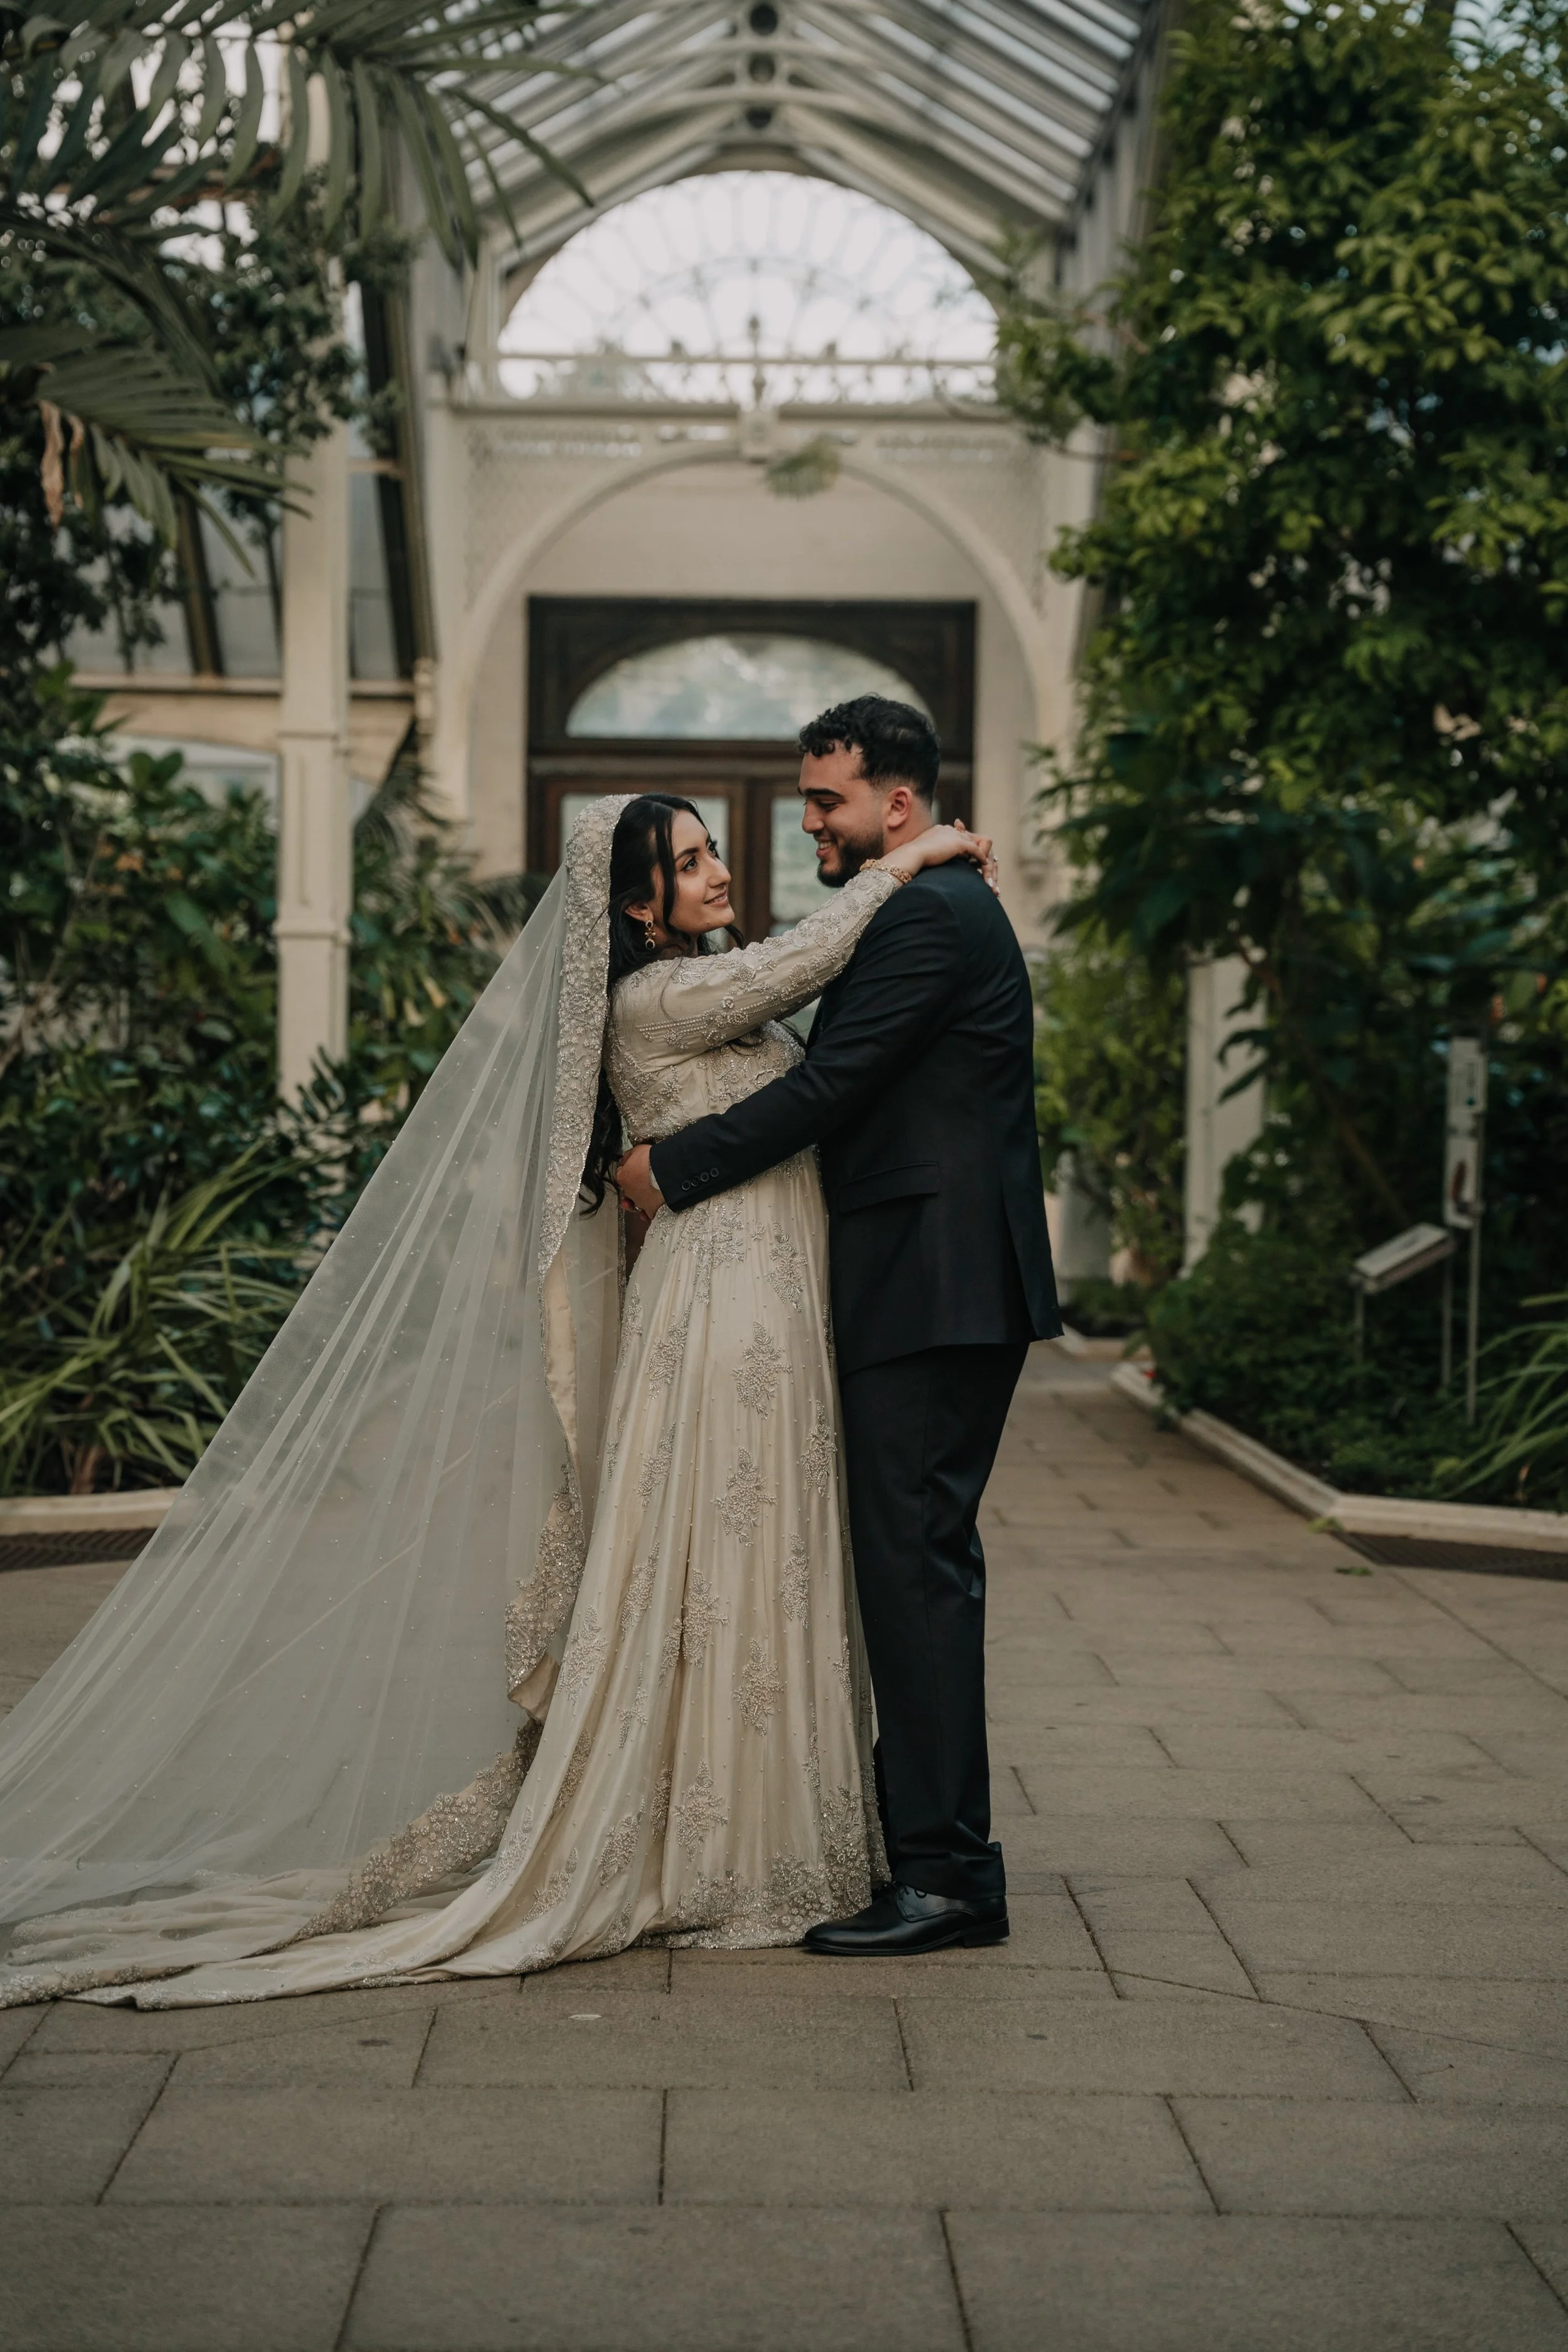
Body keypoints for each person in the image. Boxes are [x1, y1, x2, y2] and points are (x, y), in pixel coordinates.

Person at [0, 789, 990, 2008]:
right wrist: (916, 859)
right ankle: (723, 1843)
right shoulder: (652, 998)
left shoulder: (704, 973)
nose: (717, 873)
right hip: (723, 1301)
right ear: (635, 905)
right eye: (687, 864)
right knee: (729, 1545)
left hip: (775, 1294)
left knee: (771, 1549)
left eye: (708, 852)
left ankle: (776, 1827)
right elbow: (801, 963)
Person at [617, 697, 1060, 1957]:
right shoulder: (917, 899)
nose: (804, 821)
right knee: (910, 1564)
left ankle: (947, 1878)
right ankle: (915, 1845)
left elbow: (829, 1084)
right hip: (926, 1278)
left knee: (913, 1571)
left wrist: (669, 1168)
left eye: (825, 802)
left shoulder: (927, 909)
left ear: (896, 805)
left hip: (932, 1282)